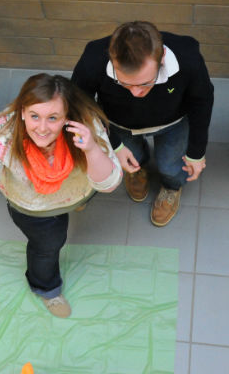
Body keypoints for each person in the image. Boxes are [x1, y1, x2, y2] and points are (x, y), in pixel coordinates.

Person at [0, 74, 122, 318]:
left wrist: (91, 149)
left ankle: (76, 205)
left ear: (67, 116)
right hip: (34, 209)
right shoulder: (4, 133)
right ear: (23, 112)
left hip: (79, 190)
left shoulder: (86, 127)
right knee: (48, 246)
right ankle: (47, 289)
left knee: (86, 197)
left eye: (53, 118)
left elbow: (108, 183)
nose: (42, 128)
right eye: (35, 116)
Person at [72, 21, 214, 227]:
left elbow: (202, 100)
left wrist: (196, 152)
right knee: (134, 159)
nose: (136, 93)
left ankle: (171, 187)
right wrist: (115, 145)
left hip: (173, 122)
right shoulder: (93, 58)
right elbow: (80, 102)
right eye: (125, 83)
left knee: (171, 166)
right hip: (118, 124)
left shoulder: (188, 57)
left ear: (162, 58)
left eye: (145, 83)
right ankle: (138, 171)